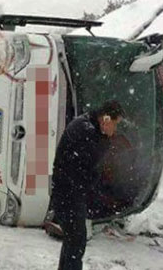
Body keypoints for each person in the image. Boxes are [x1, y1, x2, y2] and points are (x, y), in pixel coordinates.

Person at [51, 100, 125, 270]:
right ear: (105, 119)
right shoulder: (87, 131)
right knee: (76, 241)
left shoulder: (86, 125)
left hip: (68, 192)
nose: (114, 130)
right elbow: (91, 167)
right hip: (68, 194)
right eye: (115, 124)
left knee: (73, 240)